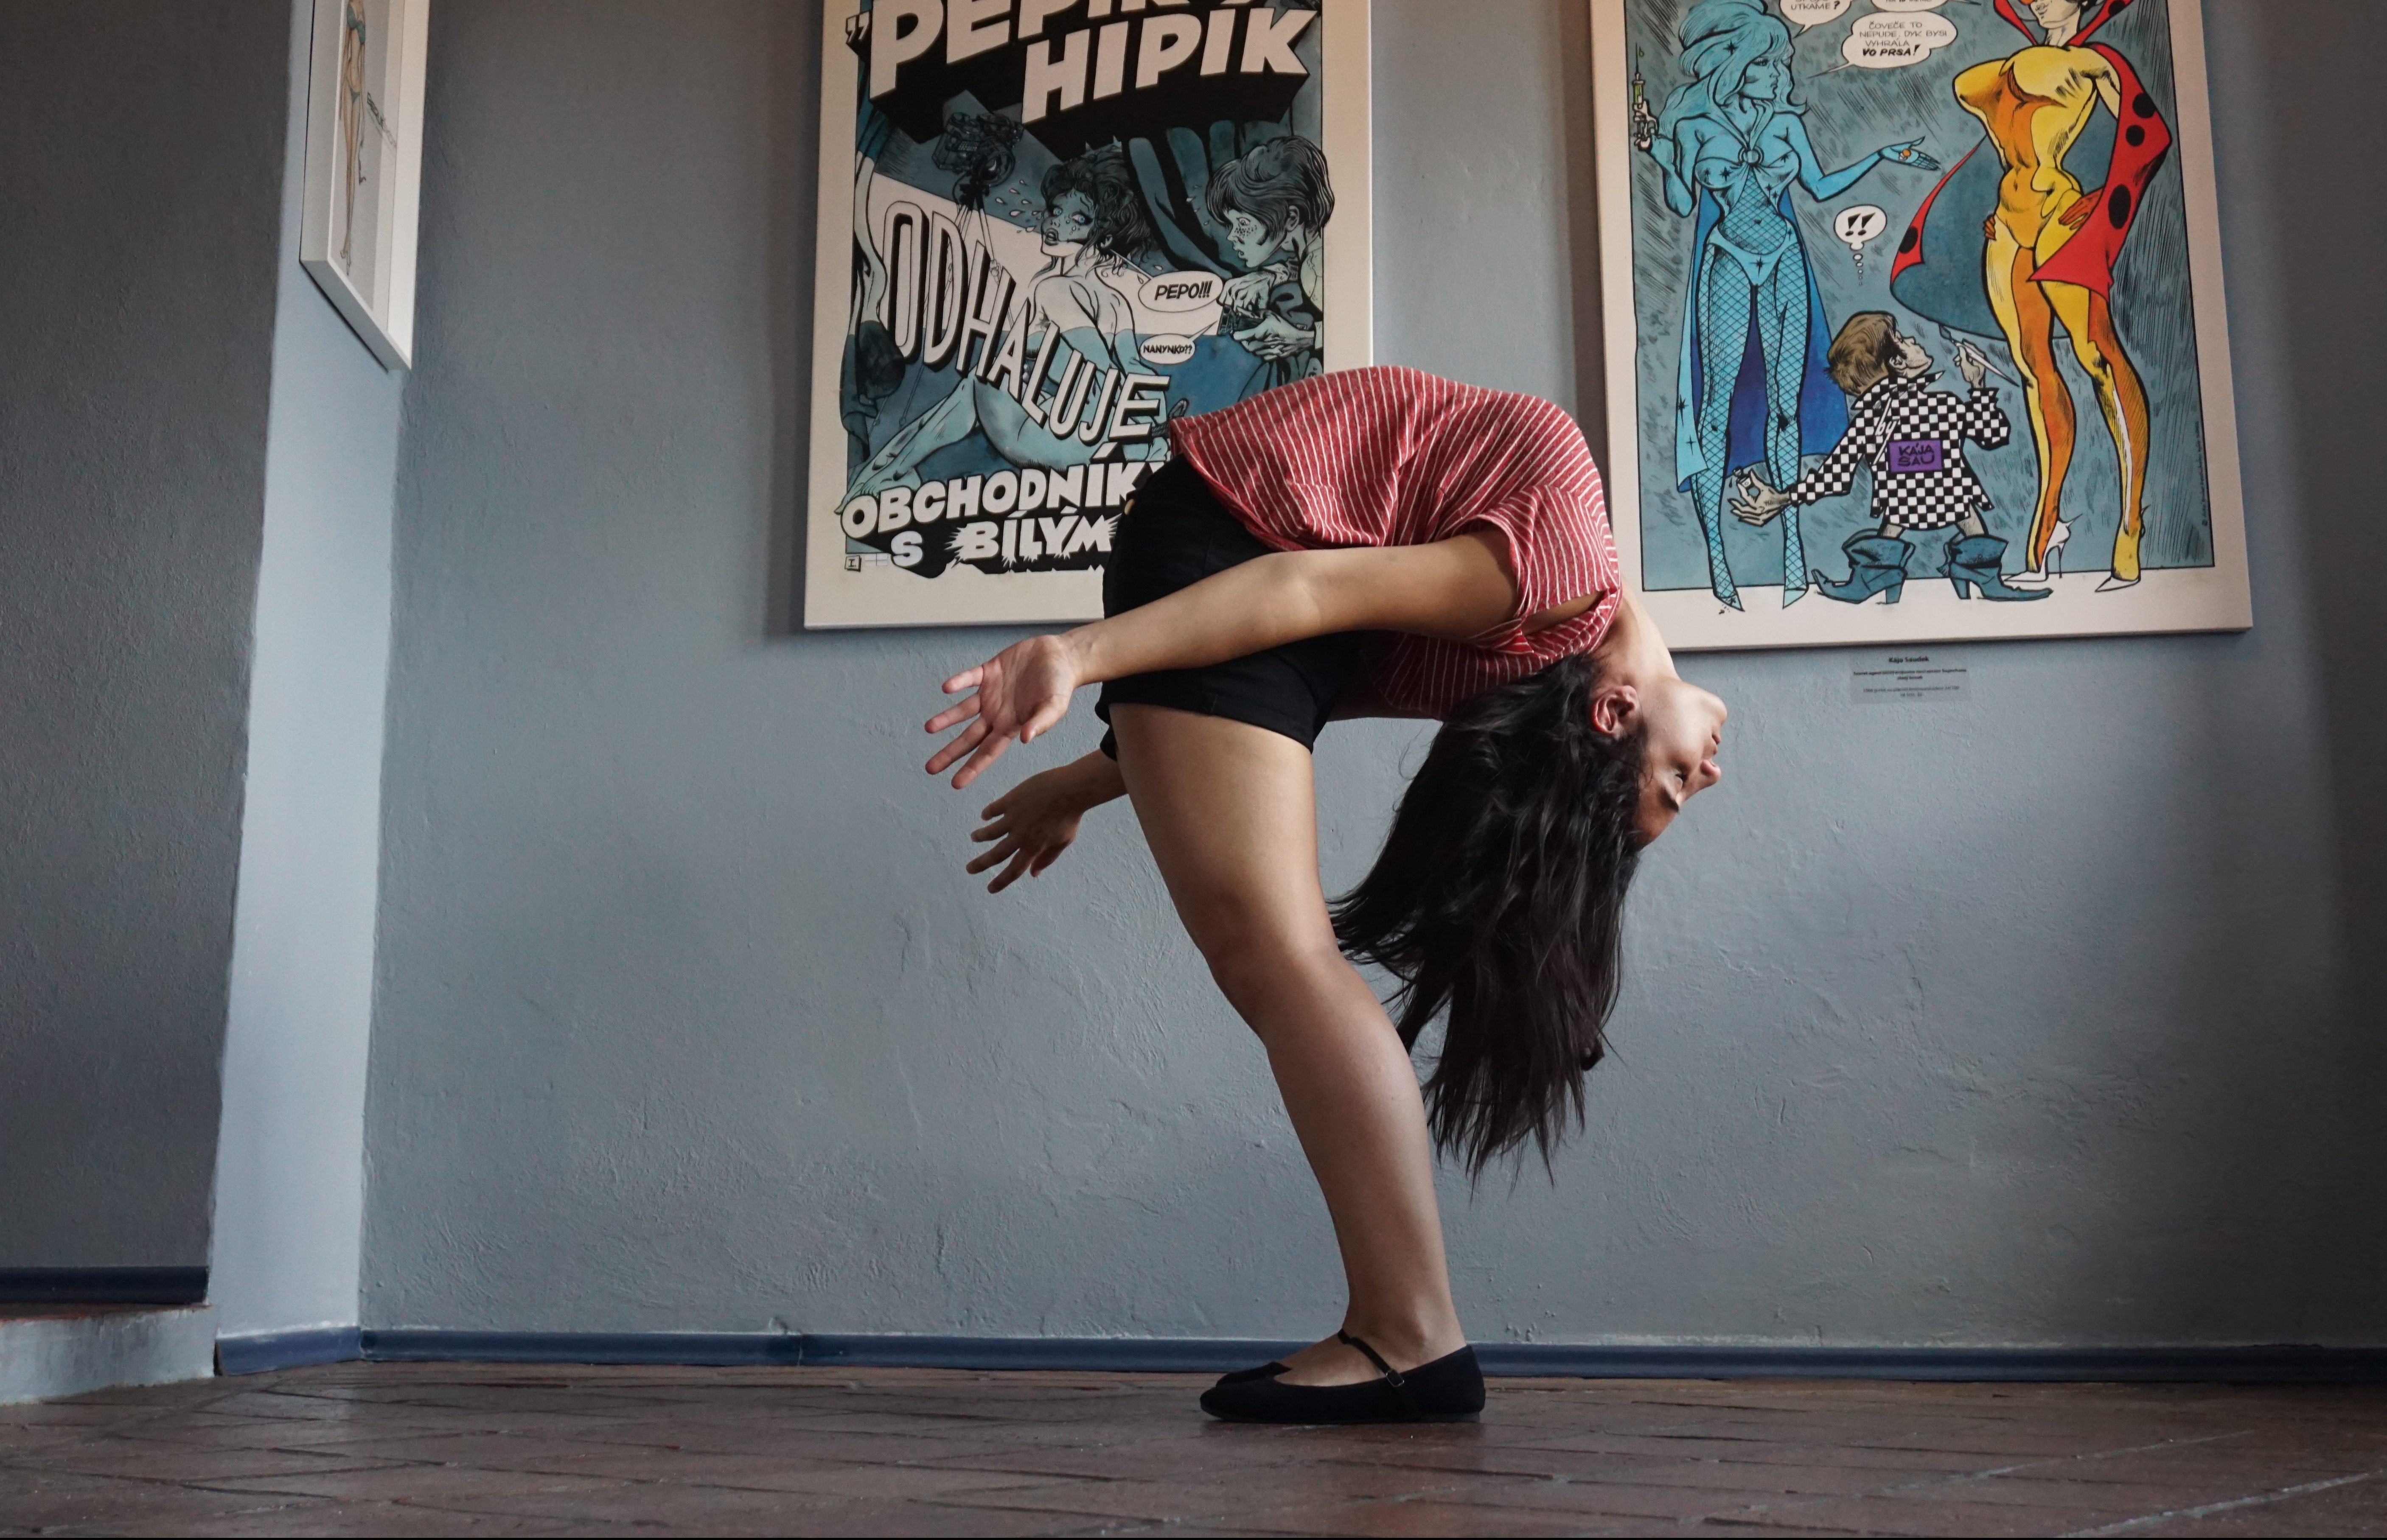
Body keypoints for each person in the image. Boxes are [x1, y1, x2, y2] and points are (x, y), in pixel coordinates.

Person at [921, 366, 1728, 1424]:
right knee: (1281, 956)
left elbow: (1280, 691)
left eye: (1678, 786)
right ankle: (1407, 1331)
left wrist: (1088, 765)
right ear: (1613, 713)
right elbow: (1299, 592)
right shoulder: (1555, 575)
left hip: (1231, 558)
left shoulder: (1523, 655)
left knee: (1279, 957)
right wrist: (1075, 660)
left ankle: (1406, 1331)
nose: (1708, 775)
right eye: (1677, 786)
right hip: (1238, 540)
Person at [1645, 0, 1937, 610]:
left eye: (1780, 62)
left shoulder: (1784, 124)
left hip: (1783, 258)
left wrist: (1881, 156)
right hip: (1727, 259)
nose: (1780, 73)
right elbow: (1681, 203)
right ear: (1736, 65)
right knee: (1716, 409)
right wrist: (1665, 158)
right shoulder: (1693, 126)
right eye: (1769, 64)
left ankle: (1793, 553)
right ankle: (1718, 559)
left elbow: (1821, 186)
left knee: (1786, 407)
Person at [1889, 0, 2172, 589]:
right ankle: (2045, 531)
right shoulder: (2002, 65)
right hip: (2007, 225)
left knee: (2097, 358)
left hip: (2058, 217)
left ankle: (2130, 527)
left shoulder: (2094, 64)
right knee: (2033, 371)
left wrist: (2103, 202)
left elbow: (2148, 139)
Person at [1732, 313, 2045, 604]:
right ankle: (1977, 576)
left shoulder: (1881, 418)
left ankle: (1878, 576)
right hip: (1941, 500)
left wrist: (1785, 497)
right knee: (1951, 510)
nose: (1913, 340)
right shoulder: (1939, 407)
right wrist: (1977, 386)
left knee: (1912, 514)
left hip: (1920, 504)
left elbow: (1835, 476)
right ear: (1897, 362)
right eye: (1902, 338)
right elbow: (1992, 434)